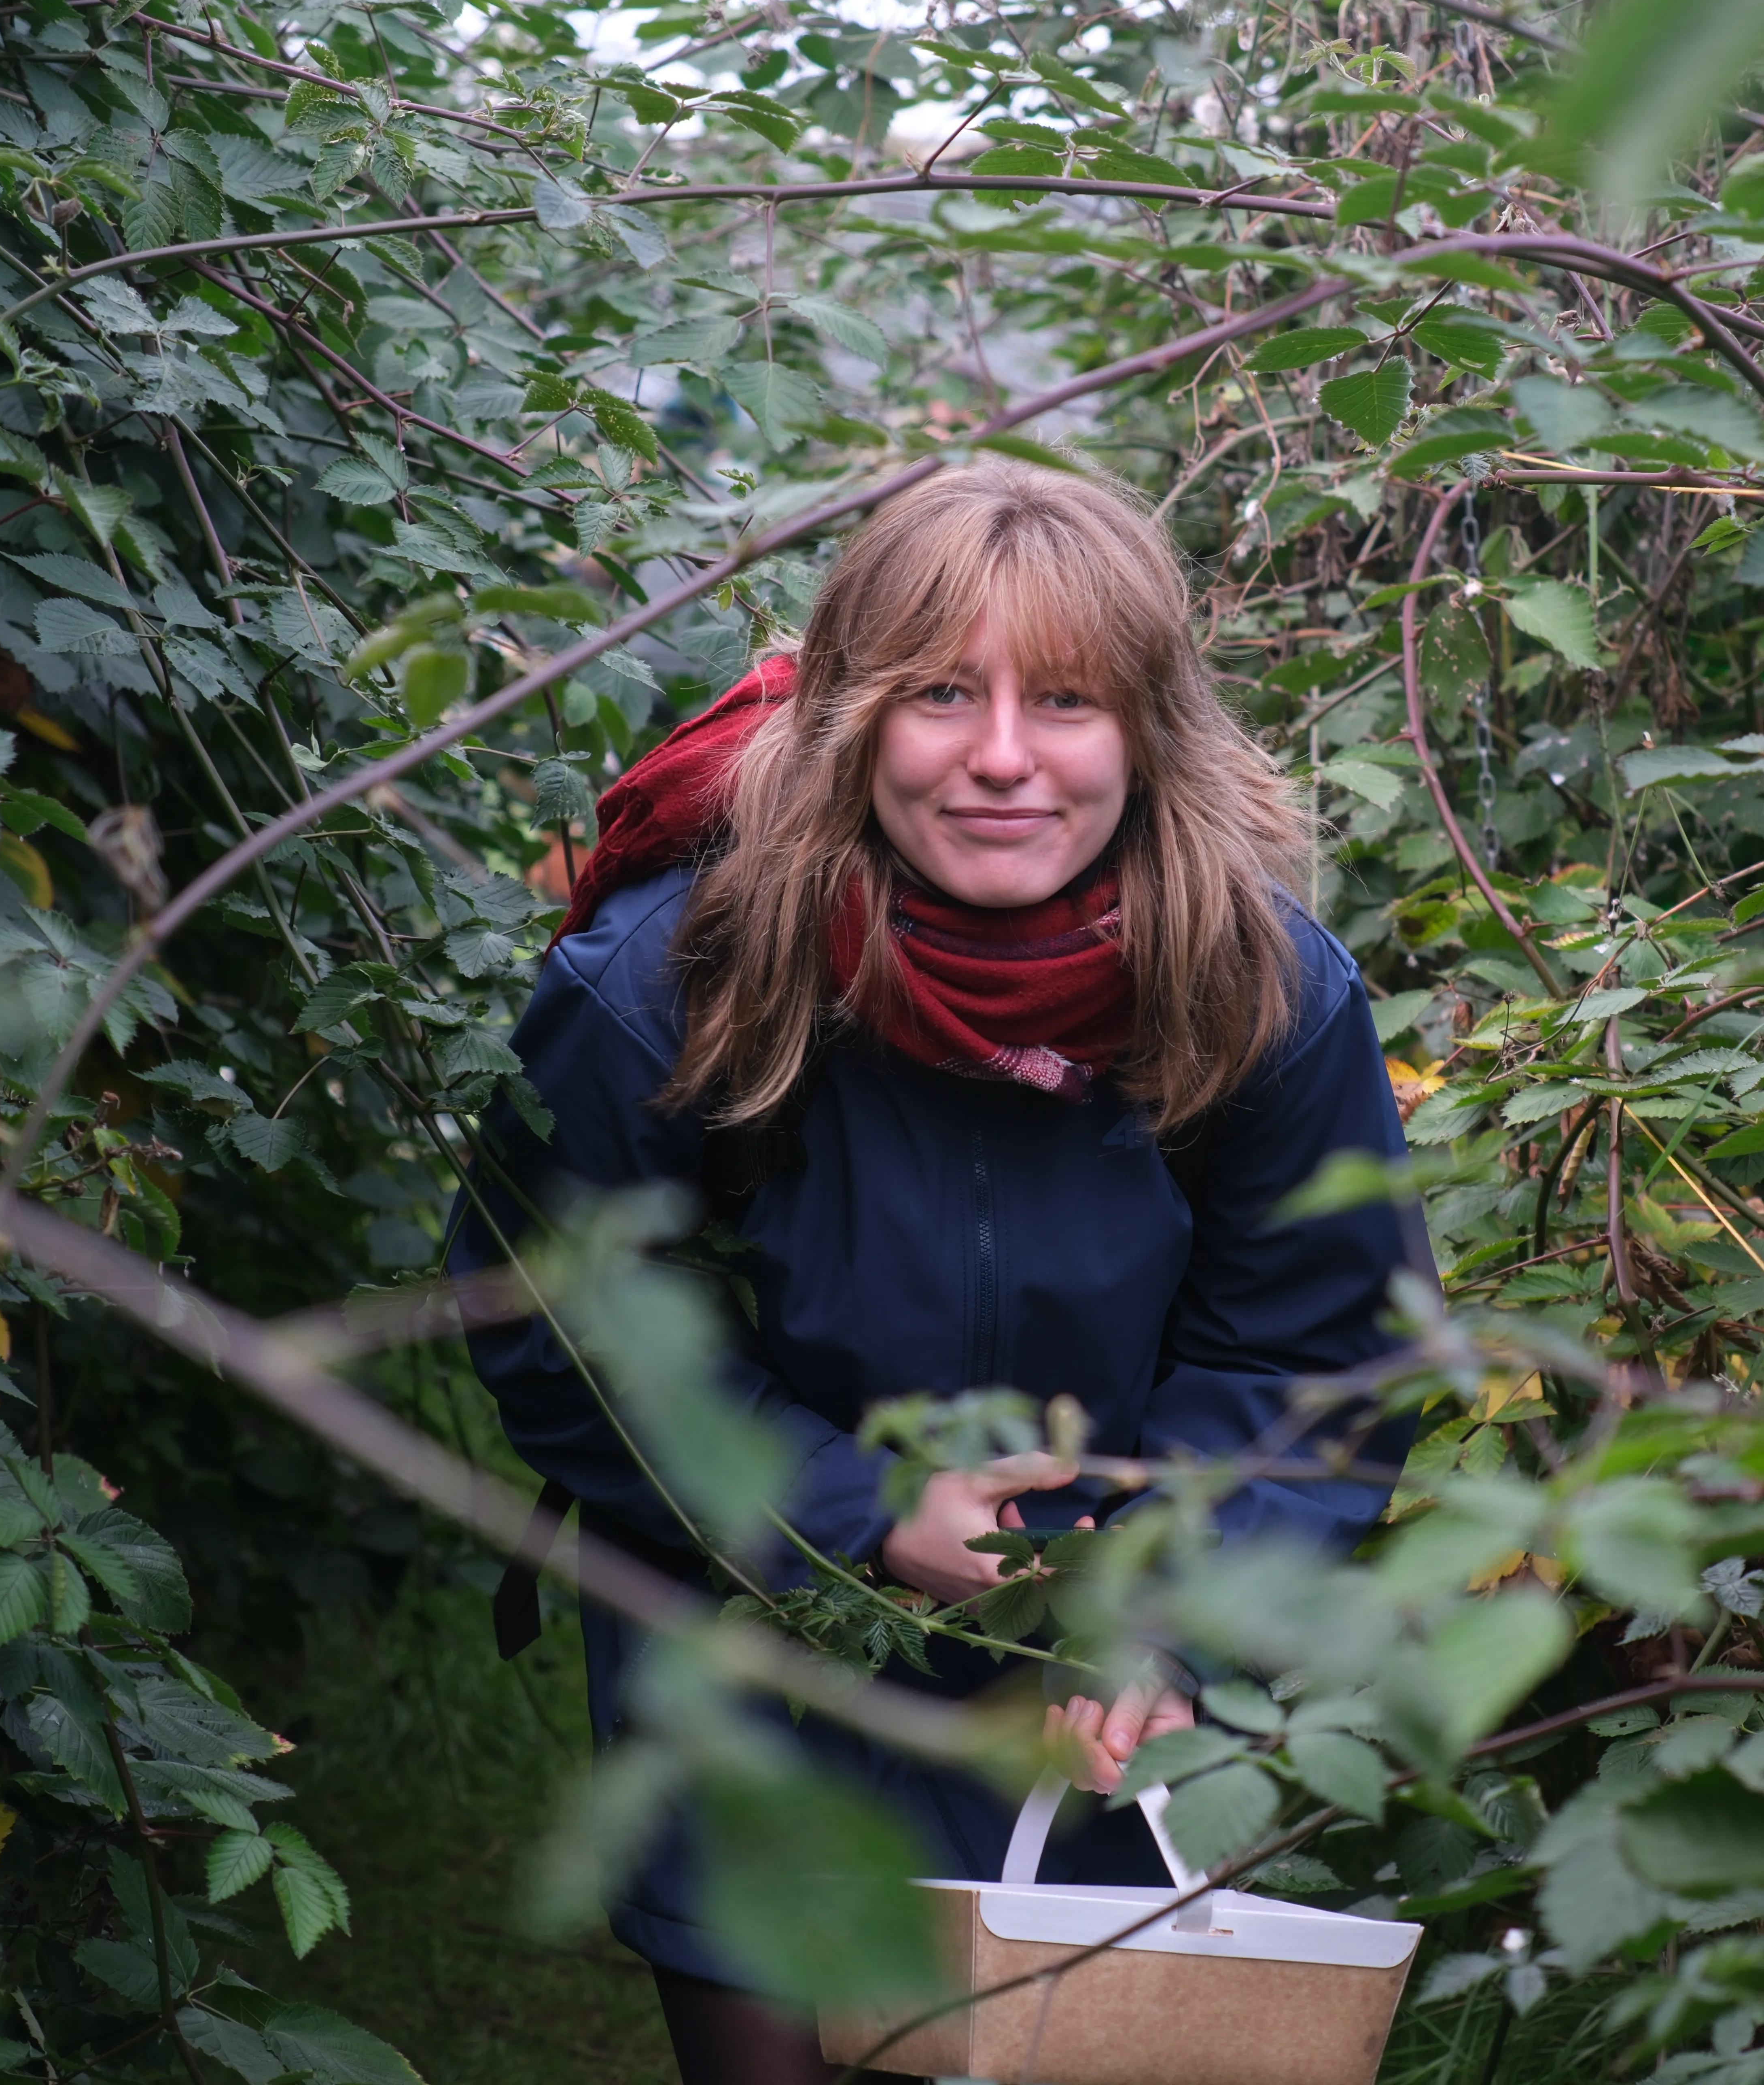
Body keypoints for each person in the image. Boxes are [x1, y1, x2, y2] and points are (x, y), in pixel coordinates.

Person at [449, 459, 1424, 2085]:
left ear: (1148, 731)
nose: (1002, 757)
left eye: (1067, 700)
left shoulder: (1261, 994)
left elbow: (1313, 1358)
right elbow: (569, 1328)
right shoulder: (671, 981)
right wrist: (854, 1511)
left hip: (1079, 1688)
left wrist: (1168, 1622)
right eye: (942, 695)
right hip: (755, 1647)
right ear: (852, 719)